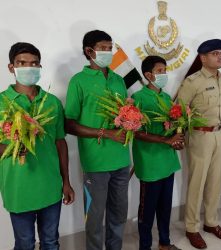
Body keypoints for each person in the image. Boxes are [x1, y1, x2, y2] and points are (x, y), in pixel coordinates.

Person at [0, 42, 74, 250]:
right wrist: (13, 145)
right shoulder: (2, 103)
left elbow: (60, 142)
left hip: (50, 186)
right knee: (25, 243)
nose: (28, 67)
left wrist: (66, 182)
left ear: (40, 67)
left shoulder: (51, 102)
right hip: (18, 187)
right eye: (21, 63)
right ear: (11, 67)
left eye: (34, 63)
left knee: (51, 241)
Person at [64, 30, 129, 250]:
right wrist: (105, 133)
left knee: (119, 215)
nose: (108, 52)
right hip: (96, 163)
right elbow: (68, 124)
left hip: (121, 159)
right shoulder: (78, 81)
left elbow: (124, 115)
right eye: (103, 48)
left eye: (110, 47)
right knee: (94, 219)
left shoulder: (118, 79)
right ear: (89, 51)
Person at [177, 39, 221, 249]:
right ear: (203, 57)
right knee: (197, 183)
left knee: (215, 181)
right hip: (199, 136)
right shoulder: (193, 82)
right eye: (215, 53)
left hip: (219, 135)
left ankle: (211, 222)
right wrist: (180, 135)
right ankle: (192, 227)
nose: (220, 56)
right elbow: (179, 112)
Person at [132, 55, 183, 250]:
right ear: (148, 75)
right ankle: (144, 246)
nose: (164, 74)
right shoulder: (138, 99)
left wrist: (178, 140)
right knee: (147, 210)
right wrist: (165, 140)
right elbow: (136, 132)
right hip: (150, 164)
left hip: (168, 162)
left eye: (165, 70)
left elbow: (172, 128)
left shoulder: (167, 98)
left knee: (165, 207)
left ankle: (164, 242)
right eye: (160, 71)